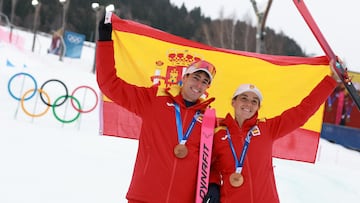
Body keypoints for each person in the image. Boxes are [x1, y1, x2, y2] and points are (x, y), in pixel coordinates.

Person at [96, 16, 217, 203]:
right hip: (144, 196)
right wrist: (105, 42)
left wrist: (214, 183)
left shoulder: (209, 119)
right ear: (184, 78)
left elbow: (214, 161)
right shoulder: (155, 100)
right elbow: (109, 84)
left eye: (204, 82)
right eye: (195, 78)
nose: (199, 85)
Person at [203, 72, 338, 203]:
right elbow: (208, 165)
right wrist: (213, 183)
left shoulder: (267, 128)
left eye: (254, 101)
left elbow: (302, 112)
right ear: (233, 102)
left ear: (258, 107)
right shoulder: (218, 133)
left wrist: (330, 82)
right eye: (244, 98)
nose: (248, 105)